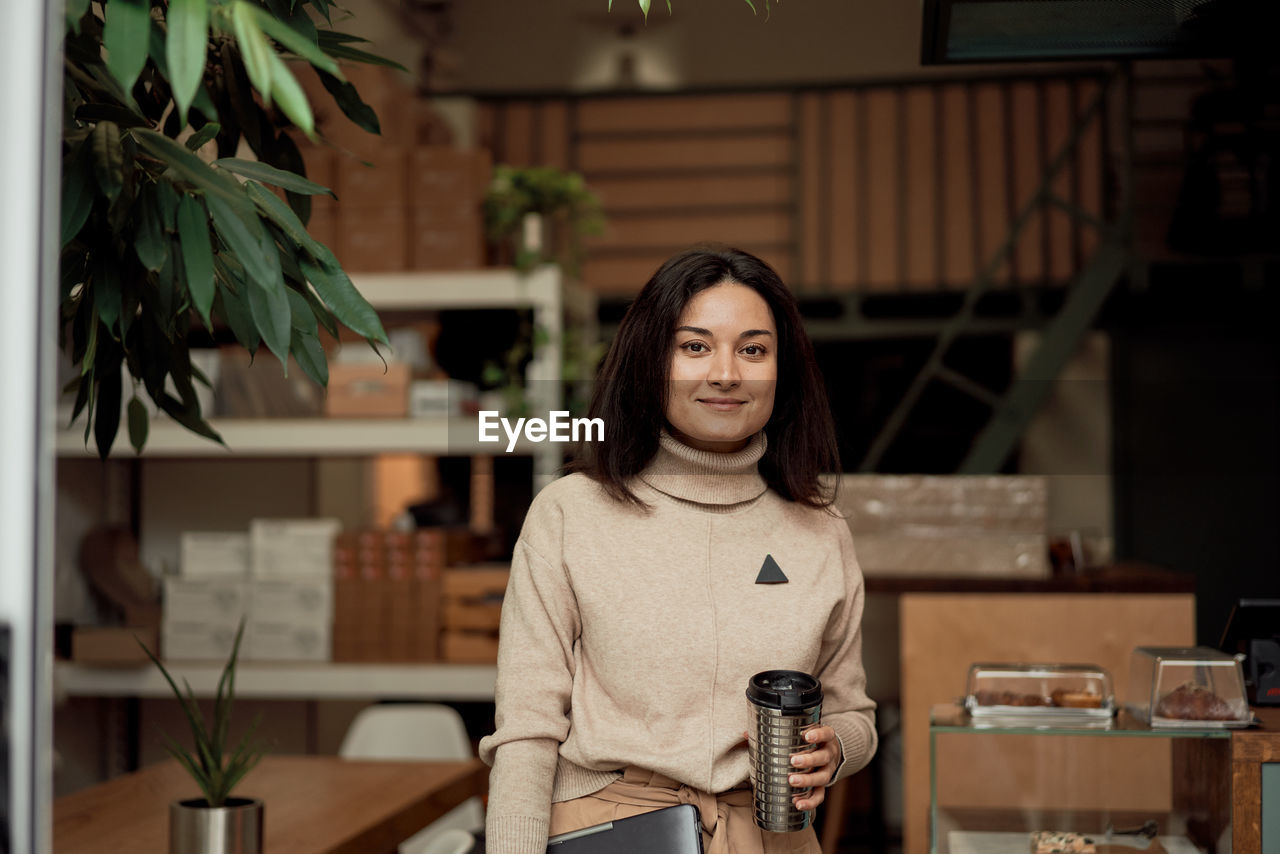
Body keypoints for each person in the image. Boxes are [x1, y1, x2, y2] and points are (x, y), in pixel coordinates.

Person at [478, 245, 878, 854]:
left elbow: (854, 711)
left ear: (782, 370)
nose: (725, 372)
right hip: (609, 829)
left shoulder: (820, 530)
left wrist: (837, 748)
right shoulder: (571, 513)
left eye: (753, 349)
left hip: (771, 837)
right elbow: (527, 730)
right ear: (650, 363)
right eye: (694, 346)